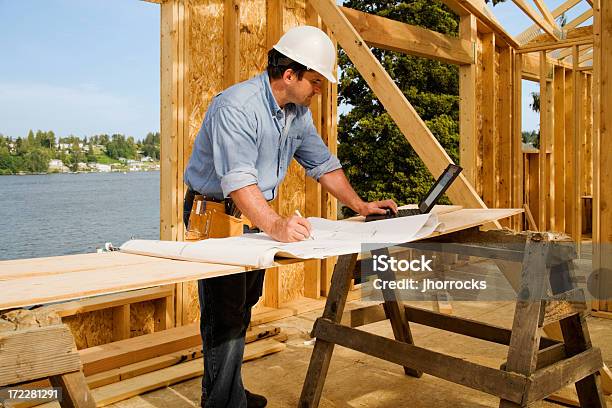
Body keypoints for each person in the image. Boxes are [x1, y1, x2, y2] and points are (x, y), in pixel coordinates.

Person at [183, 25, 397, 408]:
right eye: (315, 82)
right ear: (289, 75)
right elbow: (238, 181)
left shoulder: (295, 114)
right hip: (217, 214)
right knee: (224, 316)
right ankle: (221, 403)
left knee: (243, 306)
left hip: (251, 214)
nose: (319, 90)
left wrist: (361, 206)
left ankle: (230, 391)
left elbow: (323, 164)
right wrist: (276, 224)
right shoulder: (237, 107)